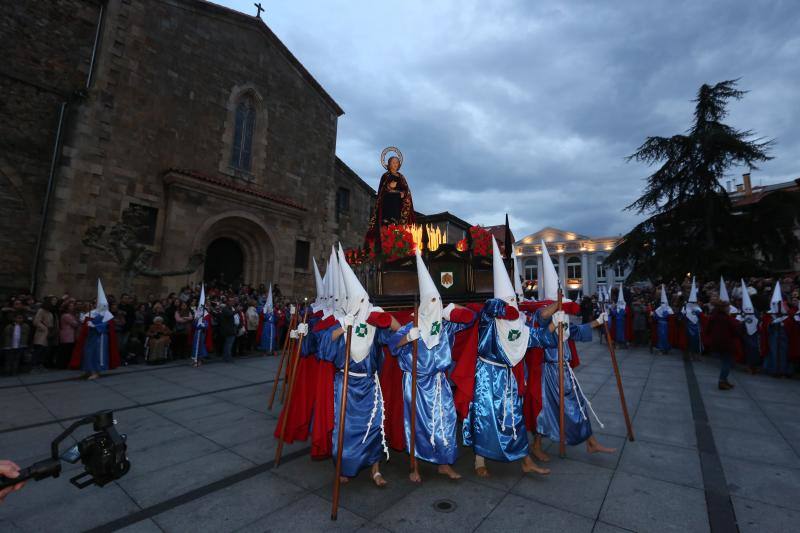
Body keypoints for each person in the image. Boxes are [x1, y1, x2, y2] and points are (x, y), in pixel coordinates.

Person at [461, 238, 559, 478]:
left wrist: (555, 323)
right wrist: (506, 308)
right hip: (486, 375)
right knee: (484, 417)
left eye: (514, 300)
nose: (513, 305)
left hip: (507, 377)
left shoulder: (519, 325)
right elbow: (490, 307)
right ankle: (479, 460)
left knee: (514, 417)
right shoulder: (489, 320)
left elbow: (537, 338)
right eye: (509, 301)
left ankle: (524, 460)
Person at [389, 250, 476, 482]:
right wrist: (407, 338)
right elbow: (392, 347)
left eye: (440, 303)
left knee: (446, 421)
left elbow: (470, 319)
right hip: (416, 383)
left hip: (439, 382)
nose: (437, 307)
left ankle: (444, 463)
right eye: (434, 303)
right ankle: (414, 465)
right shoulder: (411, 326)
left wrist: (452, 310)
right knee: (416, 424)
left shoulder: (446, 327)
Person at [320, 245, 399, 487]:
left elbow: (396, 333)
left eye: (365, 300)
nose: (362, 304)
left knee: (373, 425)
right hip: (346, 383)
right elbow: (324, 346)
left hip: (369, 383)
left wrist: (384, 317)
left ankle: (375, 469)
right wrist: (344, 326)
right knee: (345, 428)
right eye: (359, 300)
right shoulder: (342, 322)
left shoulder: (374, 321)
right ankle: (344, 466)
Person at [529, 240, 615, 461]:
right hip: (549, 372)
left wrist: (598, 322)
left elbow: (575, 332)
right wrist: (558, 304)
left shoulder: (562, 315)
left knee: (577, 403)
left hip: (564, 369)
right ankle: (537, 445)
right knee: (546, 408)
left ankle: (591, 442)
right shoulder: (541, 313)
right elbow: (542, 317)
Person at [69, 280, 120, 380]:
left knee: (96, 354)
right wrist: (84, 321)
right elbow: (85, 323)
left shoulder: (107, 314)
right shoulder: (92, 312)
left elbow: (106, 326)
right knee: (87, 353)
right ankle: (87, 370)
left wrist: (94, 325)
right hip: (90, 337)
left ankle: (95, 371)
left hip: (100, 338)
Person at [364, 150, 415, 249]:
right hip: (389, 204)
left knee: (398, 225)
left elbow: (406, 190)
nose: (395, 164)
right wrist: (389, 187)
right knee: (388, 225)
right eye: (393, 162)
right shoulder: (385, 176)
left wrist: (403, 193)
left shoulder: (401, 177)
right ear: (389, 164)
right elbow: (381, 191)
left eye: (397, 162)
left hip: (399, 204)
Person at [707, 299, 738, 390]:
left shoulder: (714, 317)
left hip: (718, 342)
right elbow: (735, 330)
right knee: (726, 363)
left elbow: (708, 329)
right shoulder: (727, 318)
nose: (729, 308)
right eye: (728, 307)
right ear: (724, 308)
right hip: (726, 343)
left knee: (725, 362)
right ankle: (722, 381)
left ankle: (724, 380)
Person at [763, 281, 790, 377]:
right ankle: (773, 370)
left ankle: (783, 370)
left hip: (783, 337)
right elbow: (765, 326)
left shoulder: (787, 313)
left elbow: (789, 325)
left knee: (783, 354)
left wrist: (782, 322)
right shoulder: (769, 314)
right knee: (773, 353)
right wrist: (772, 323)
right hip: (773, 336)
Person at [31, 296, 57, 371]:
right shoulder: (41, 310)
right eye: (53, 300)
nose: (54, 302)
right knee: (39, 349)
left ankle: (40, 364)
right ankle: (34, 365)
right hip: (41, 333)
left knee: (44, 350)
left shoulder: (50, 313)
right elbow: (36, 321)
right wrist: (45, 328)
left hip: (47, 333)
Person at [190, 285, 213, 367]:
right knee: (195, 345)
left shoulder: (206, 313)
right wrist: (196, 322)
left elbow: (207, 324)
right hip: (197, 332)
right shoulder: (197, 312)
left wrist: (203, 324)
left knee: (201, 345)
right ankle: (194, 359)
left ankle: (200, 359)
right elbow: (194, 322)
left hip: (202, 332)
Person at [681, 277, 703, 361]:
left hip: (696, 327)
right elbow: (682, 316)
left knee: (697, 341)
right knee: (688, 341)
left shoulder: (698, 308)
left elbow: (701, 316)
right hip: (688, 327)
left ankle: (696, 355)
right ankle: (689, 355)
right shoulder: (686, 307)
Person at [58, 301, 80, 368]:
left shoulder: (70, 315)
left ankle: (65, 364)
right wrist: (77, 320)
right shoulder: (66, 315)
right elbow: (75, 324)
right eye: (70, 306)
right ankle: (62, 365)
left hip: (70, 334)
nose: (72, 307)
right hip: (67, 335)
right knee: (65, 350)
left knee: (68, 350)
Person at [653, 284, 673, 354]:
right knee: (661, 336)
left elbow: (671, 317)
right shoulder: (659, 309)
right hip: (660, 325)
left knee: (665, 337)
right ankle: (662, 349)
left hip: (666, 325)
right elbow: (655, 317)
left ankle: (666, 348)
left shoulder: (669, 309)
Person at [257, 285, 276, 353]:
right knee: (266, 337)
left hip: (272, 326)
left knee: (272, 337)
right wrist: (265, 310)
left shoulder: (272, 311)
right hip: (266, 325)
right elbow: (262, 315)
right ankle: (265, 349)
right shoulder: (262, 307)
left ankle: (271, 349)